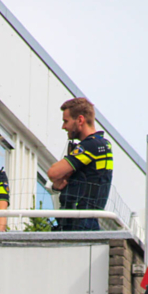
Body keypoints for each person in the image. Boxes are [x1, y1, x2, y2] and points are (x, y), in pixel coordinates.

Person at [46, 97, 113, 231]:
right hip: (83, 220)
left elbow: (53, 173)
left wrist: (61, 178)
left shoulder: (92, 145)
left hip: (79, 224)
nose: (63, 127)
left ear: (80, 120)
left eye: (66, 121)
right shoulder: (102, 144)